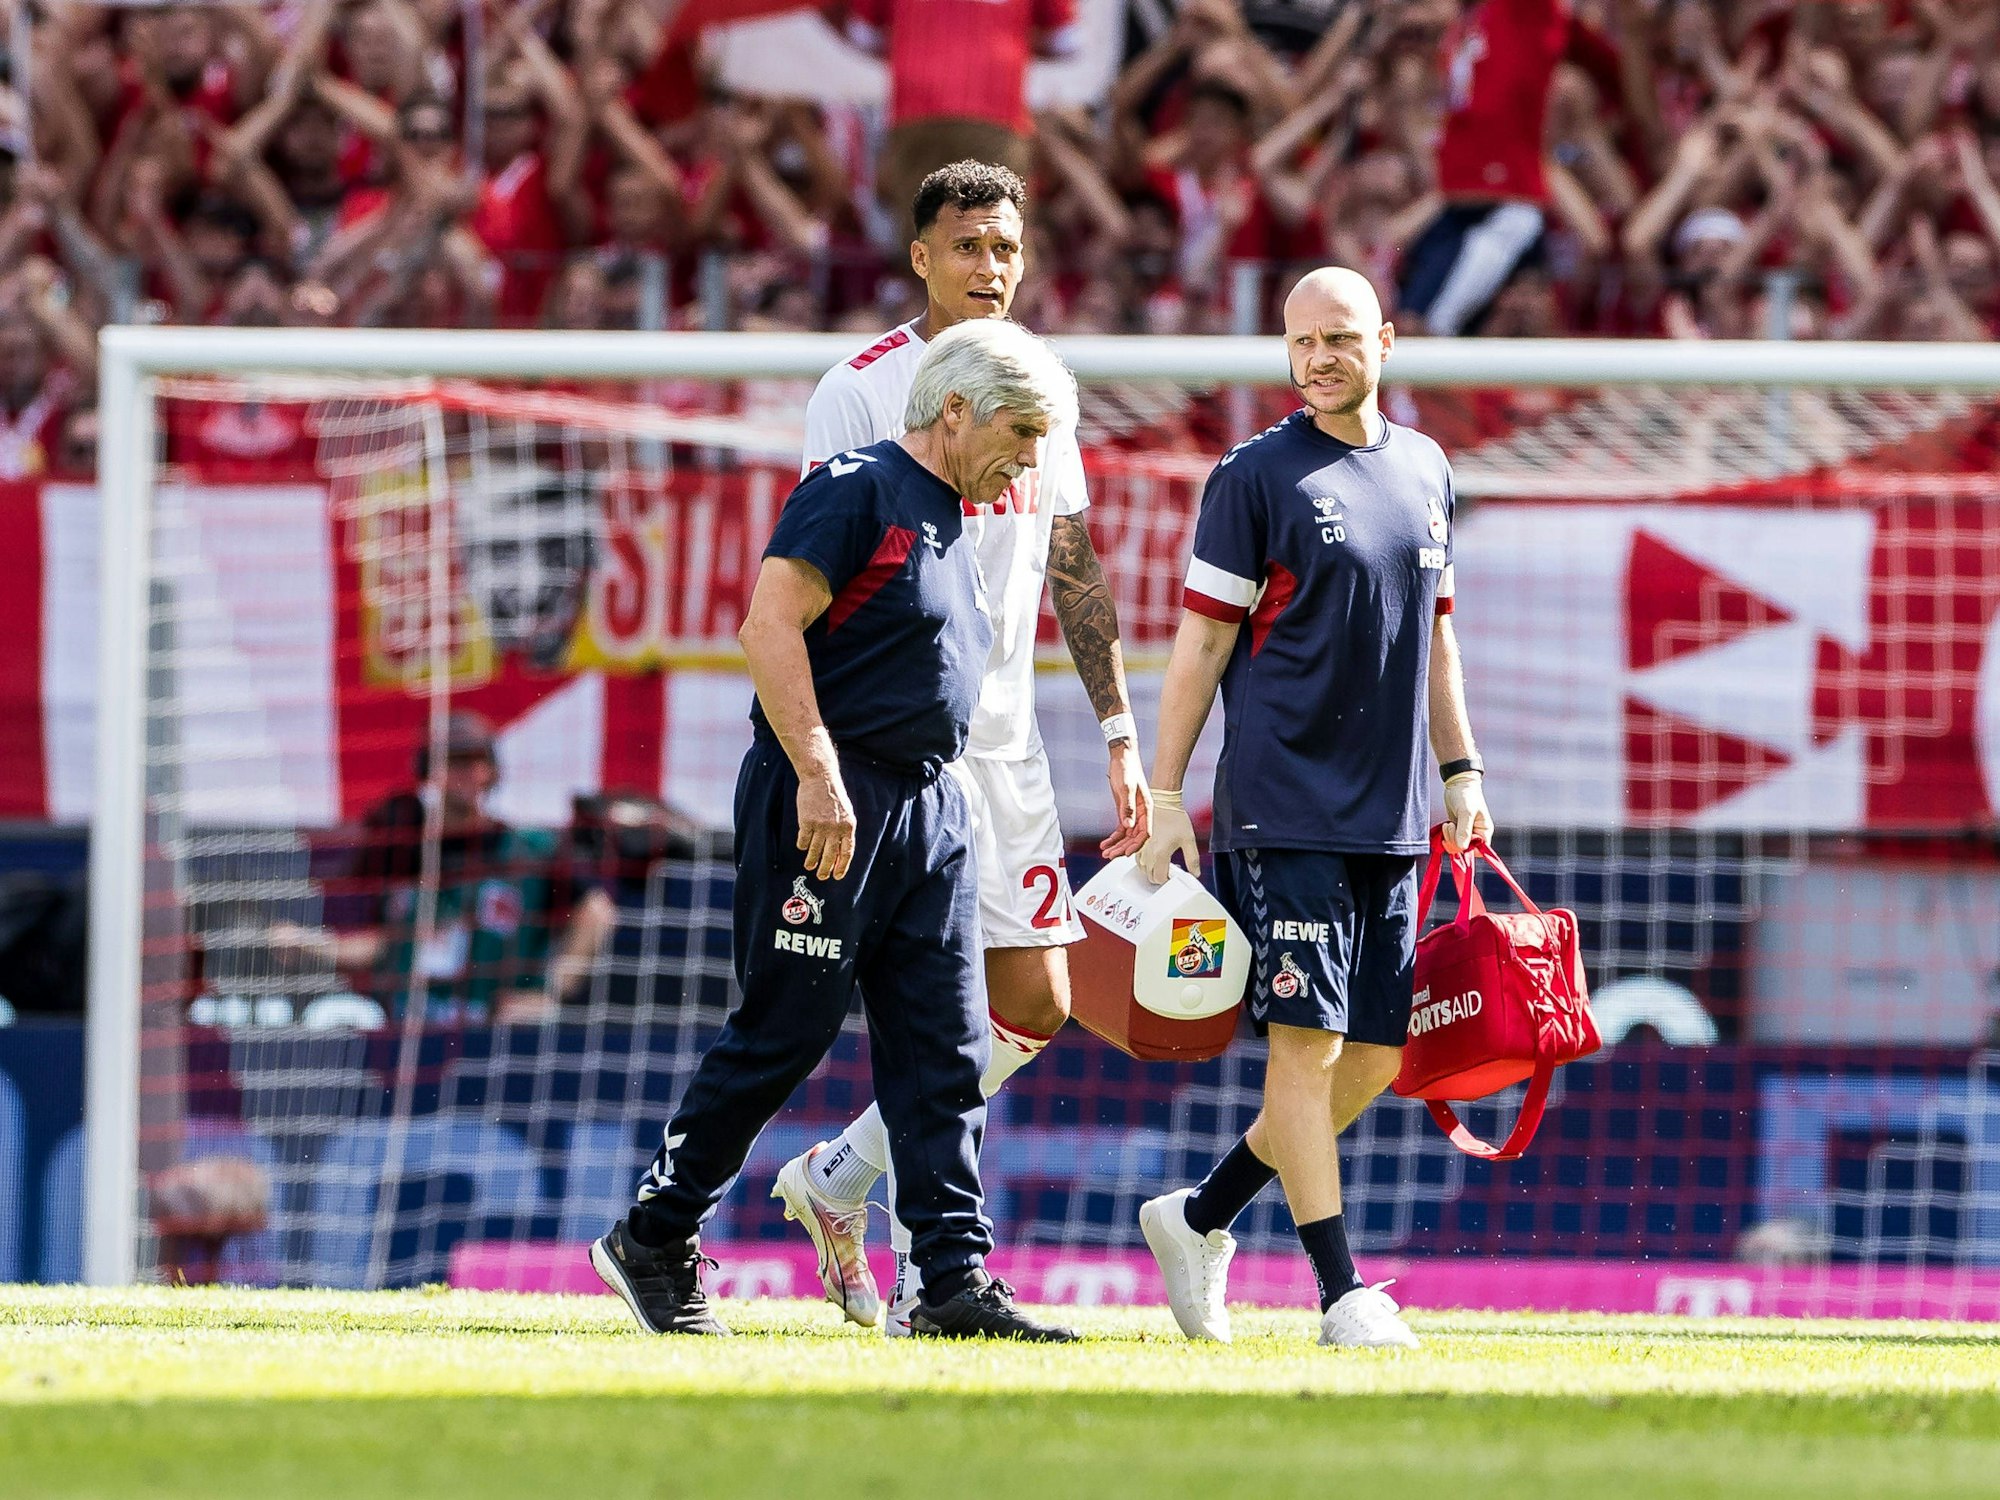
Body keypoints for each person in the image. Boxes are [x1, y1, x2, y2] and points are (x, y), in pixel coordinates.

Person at [592, 319, 1081, 1343]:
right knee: (785, 1031)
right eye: (1021, 430)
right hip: (831, 799)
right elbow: (766, 627)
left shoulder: (956, 512)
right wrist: (818, 774)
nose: (1032, 456)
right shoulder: (854, 485)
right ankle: (654, 1234)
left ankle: (947, 1278)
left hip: (934, 806)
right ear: (955, 409)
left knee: (943, 1050)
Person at [768, 159, 1150, 1335]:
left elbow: (1073, 565)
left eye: (1007, 247)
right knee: (910, 1009)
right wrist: (824, 754)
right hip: (897, 741)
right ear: (920, 256)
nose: (992, 268)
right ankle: (936, 1274)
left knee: (1032, 1002)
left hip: (1008, 743)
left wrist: (1123, 736)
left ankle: (836, 1181)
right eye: (969, 246)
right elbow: (811, 574)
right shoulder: (858, 389)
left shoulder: (1039, 383)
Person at [1134, 266, 1492, 1350]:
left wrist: (1461, 769)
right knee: (1304, 1047)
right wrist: (1163, 794)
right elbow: (1199, 643)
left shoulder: (1427, 469)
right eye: (1300, 343)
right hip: (1279, 807)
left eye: (1339, 338)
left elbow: (1434, 635)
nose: (1319, 358)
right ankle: (1339, 1292)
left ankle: (1198, 1217)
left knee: (1376, 1059)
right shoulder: (1252, 478)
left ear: (1385, 340)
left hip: (1390, 814)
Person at [271, 710, 614, 1022]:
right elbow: (387, 944)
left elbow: (597, 912)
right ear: (429, 770)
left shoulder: (530, 851)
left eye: (480, 761)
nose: (471, 774)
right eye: (457, 762)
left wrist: (549, 991)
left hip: (497, 1040)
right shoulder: (403, 847)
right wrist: (315, 945)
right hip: (410, 1033)